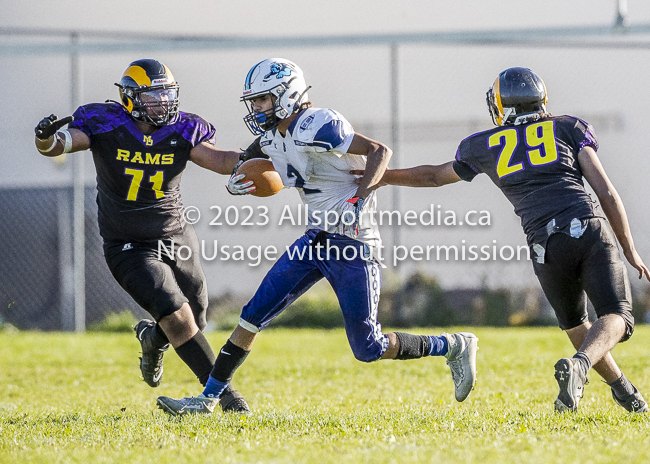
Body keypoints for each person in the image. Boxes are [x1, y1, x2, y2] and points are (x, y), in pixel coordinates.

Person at [156, 58, 479, 416]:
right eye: (255, 101)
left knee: (368, 347)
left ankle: (452, 345)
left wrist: (360, 197)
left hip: (353, 243)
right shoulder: (272, 137)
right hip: (315, 241)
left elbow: (379, 151)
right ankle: (208, 399)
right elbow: (249, 161)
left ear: (287, 95)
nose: (256, 108)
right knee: (251, 316)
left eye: (262, 100)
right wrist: (239, 181)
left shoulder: (317, 123)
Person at [353, 67, 649, 413]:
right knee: (618, 316)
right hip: (585, 228)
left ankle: (627, 394)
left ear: (499, 106)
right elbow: (607, 193)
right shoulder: (567, 127)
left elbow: (434, 176)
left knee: (575, 325)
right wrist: (629, 247)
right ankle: (580, 367)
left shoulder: (485, 145)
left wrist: (383, 177)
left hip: (544, 248)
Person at [34, 58, 256, 413]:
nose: (163, 103)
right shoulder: (105, 123)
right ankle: (226, 398)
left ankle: (152, 338)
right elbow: (60, 145)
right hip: (128, 243)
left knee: (195, 321)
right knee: (177, 315)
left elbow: (218, 158)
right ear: (131, 98)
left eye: (167, 94)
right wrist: (46, 139)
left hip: (176, 234)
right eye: (154, 96)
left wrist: (256, 156)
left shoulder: (182, 129)